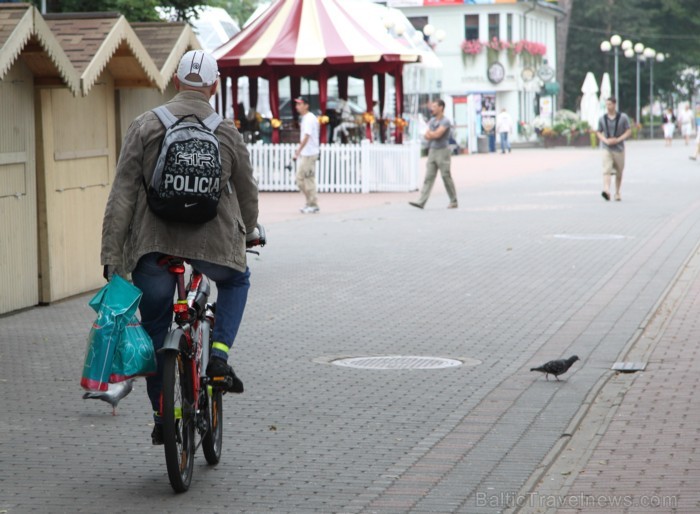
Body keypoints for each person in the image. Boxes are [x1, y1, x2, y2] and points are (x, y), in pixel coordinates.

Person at [101, 50, 259, 445]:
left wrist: (112, 256)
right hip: (214, 244)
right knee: (237, 281)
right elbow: (247, 191)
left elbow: (121, 195)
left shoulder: (145, 125)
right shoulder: (226, 132)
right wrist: (250, 231)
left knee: (155, 330)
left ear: (175, 82)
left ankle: (162, 416)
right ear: (214, 85)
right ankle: (219, 355)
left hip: (154, 247)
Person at [409, 99, 458, 209]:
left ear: (441, 108)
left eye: (435, 106)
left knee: (446, 176)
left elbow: (437, 134)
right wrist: (432, 134)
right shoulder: (432, 121)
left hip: (443, 151)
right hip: (432, 150)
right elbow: (426, 135)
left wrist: (432, 134)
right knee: (428, 177)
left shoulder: (445, 121)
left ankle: (453, 200)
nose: (432, 109)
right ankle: (421, 201)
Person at [596, 97, 632, 202]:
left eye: (610, 104)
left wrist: (619, 139)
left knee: (619, 172)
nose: (608, 107)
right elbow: (598, 132)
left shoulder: (623, 117)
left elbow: (628, 131)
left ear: (614, 104)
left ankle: (617, 192)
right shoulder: (602, 119)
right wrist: (605, 140)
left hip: (619, 148)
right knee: (606, 169)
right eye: (606, 105)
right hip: (607, 148)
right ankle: (606, 190)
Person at [294, 96, 320, 214]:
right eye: (297, 104)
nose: (297, 106)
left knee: (307, 179)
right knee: (302, 179)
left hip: (309, 153)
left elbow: (306, 136)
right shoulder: (306, 118)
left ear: (306, 105)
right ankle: (310, 202)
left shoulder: (309, 118)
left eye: (300, 104)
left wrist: (298, 150)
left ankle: (313, 204)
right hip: (307, 153)